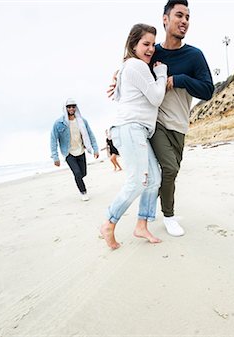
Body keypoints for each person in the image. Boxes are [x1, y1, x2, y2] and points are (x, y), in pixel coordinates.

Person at [148, 0, 214, 236]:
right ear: (165, 19)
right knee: (169, 168)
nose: (184, 21)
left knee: (168, 171)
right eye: (179, 15)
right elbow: (132, 64)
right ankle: (168, 216)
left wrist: (179, 80)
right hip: (155, 122)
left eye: (187, 17)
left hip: (179, 125)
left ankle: (148, 204)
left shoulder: (194, 56)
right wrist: (119, 75)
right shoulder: (152, 51)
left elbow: (208, 90)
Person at [100, 23, 168, 250]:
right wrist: (161, 73)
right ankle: (109, 223)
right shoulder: (136, 66)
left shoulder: (129, 68)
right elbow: (157, 97)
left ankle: (141, 224)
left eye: (152, 45)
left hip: (135, 129)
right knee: (138, 180)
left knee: (154, 178)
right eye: (145, 44)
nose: (150, 49)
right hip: (130, 128)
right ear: (133, 45)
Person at [50, 98, 99, 201]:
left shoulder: (82, 121)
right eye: (69, 107)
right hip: (68, 152)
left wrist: (95, 149)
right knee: (77, 173)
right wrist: (55, 157)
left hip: (81, 150)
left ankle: (79, 181)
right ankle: (83, 192)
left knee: (83, 173)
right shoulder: (59, 123)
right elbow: (53, 140)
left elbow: (90, 135)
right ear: (65, 108)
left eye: (73, 106)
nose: (71, 108)